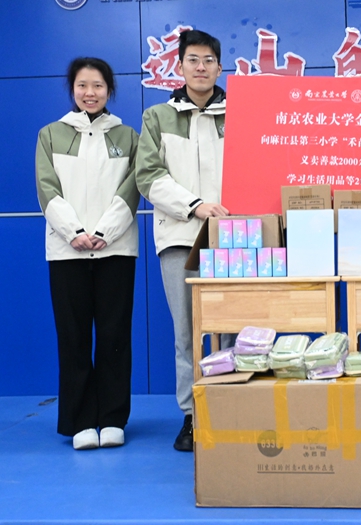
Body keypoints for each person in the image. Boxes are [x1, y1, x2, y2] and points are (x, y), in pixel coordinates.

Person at [35, 57, 140, 450]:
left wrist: (104, 232)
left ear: (109, 89)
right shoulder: (50, 134)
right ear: (72, 89)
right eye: (82, 85)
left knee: (115, 336)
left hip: (116, 249)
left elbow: (132, 187)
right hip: (67, 252)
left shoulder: (128, 136)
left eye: (98, 85)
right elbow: (47, 187)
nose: (90, 93)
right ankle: (80, 420)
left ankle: (112, 418)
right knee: (73, 336)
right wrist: (74, 232)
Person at [135, 29, 229, 452]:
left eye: (208, 60)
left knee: (234, 327)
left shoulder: (242, 114)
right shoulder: (157, 117)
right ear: (180, 66)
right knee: (187, 332)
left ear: (219, 67)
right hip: (179, 236)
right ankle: (192, 416)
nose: (201, 67)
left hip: (235, 238)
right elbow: (148, 176)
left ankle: (229, 406)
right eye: (193, 59)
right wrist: (194, 206)